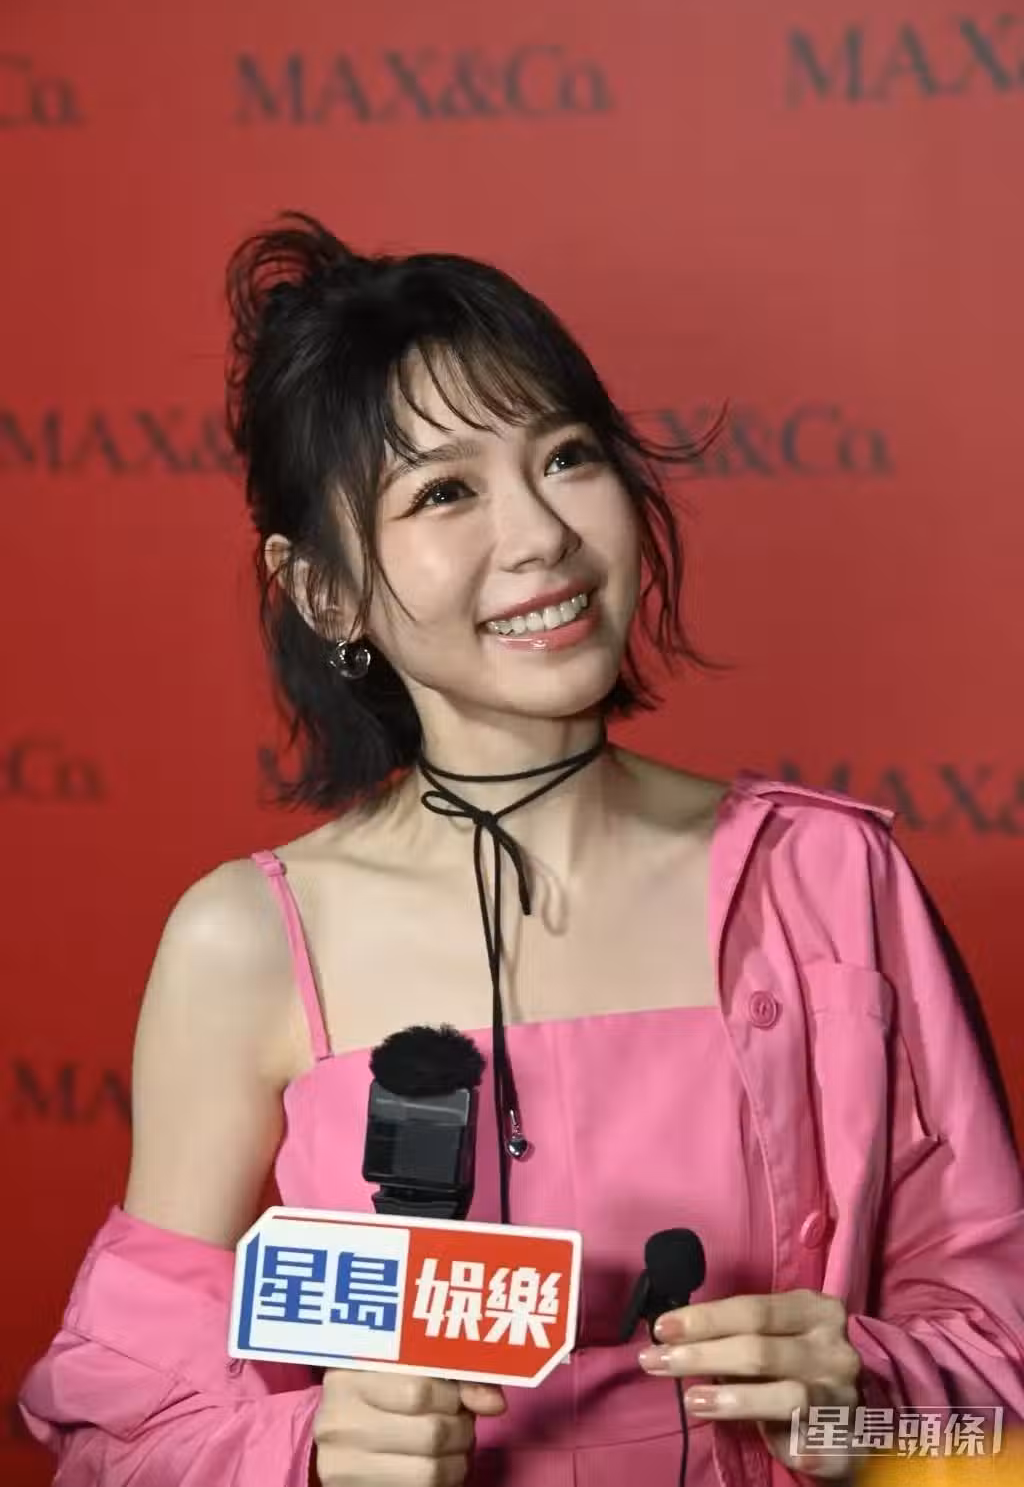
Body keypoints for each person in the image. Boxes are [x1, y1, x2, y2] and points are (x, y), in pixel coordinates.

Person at [20, 213, 1024, 1487]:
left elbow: (993, 1417)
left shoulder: (826, 879)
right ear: (323, 588)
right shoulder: (247, 940)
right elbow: (117, 1437)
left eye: (564, 455)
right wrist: (309, 1452)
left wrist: (861, 1404)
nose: (542, 534)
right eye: (443, 491)